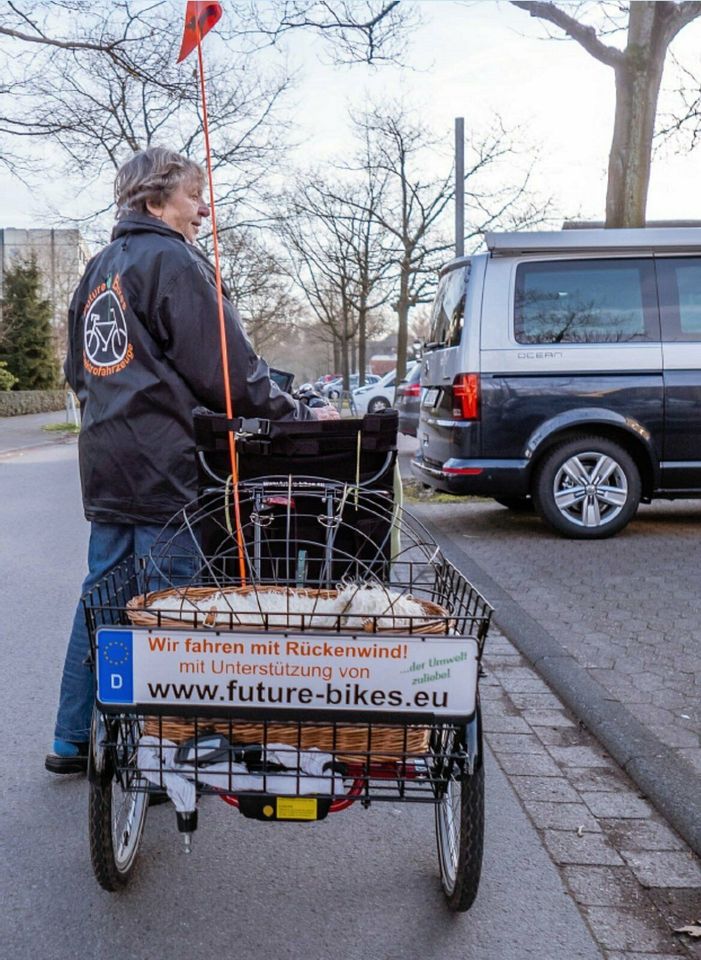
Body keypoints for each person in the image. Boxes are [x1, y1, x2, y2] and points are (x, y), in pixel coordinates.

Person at [46, 146, 338, 774]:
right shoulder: (172, 262)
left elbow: (79, 371)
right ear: (155, 200)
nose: (203, 208)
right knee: (171, 605)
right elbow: (228, 373)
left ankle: (72, 737)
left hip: (106, 465)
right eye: (192, 195)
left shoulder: (97, 269)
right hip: (168, 467)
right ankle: (164, 744)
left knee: (102, 597)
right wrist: (298, 416)